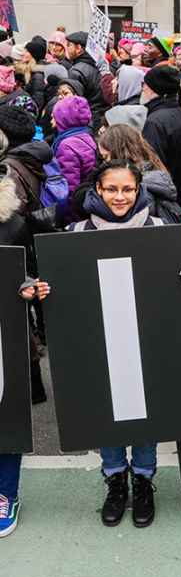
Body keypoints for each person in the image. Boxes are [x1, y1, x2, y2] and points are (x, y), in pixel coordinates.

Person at [57, 160, 181, 527]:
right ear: (98, 191)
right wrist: (40, 288)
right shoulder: (76, 232)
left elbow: (178, 281)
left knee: (145, 406)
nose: (120, 197)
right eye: (112, 189)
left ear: (139, 191)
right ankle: (115, 479)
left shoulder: (160, 229)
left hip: (147, 334)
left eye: (128, 189)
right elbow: (63, 288)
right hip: (101, 336)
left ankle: (144, 480)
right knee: (107, 405)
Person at [0, 169, 51, 537]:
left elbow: (33, 274)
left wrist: (30, 288)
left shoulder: (14, 225)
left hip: (6, 335)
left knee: (7, 411)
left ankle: (6, 494)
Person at [95, 123, 181, 223]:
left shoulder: (142, 191)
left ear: (119, 154)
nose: (104, 163)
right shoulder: (152, 171)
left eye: (106, 157)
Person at [141, 64, 181, 209]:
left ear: (155, 90)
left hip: (165, 195)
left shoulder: (155, 121)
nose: (143, 89)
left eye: (145, 85)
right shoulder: (179, 113)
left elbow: (152, 162)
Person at [51, 95, 96, 196]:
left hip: (72, 204)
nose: (52, 121)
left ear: (65, 119)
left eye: (54, 117)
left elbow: (69, 186)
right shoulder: (85, 135)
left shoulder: (66, 146)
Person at [65, 31, 107, 129]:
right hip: (102, 118)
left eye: (69, 45)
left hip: (87, 120)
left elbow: (73, 103)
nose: (67, 48)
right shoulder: (101, 66)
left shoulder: (76, 71)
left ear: (79, 48)